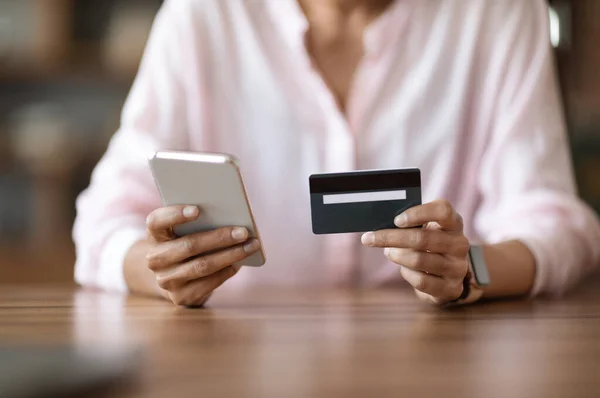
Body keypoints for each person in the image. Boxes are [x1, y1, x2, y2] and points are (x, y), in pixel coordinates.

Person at [74, 0, 600, 307]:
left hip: (439, 359)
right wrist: (160, 271)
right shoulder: (202, 16)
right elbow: (103, 222)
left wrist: (471, 270)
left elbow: (555, 226)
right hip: (236, 355)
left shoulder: (499, 13)